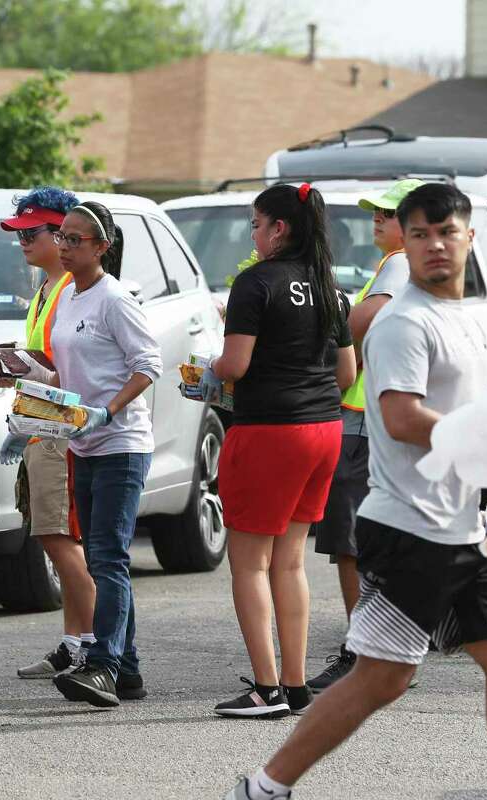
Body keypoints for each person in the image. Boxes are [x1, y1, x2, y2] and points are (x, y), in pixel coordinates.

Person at [225, 184, 487, 800]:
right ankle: (264, 786)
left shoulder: (467, 320)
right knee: (383, 678)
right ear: (407, 243)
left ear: (469, 238)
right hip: (410, 530)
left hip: (462, 530)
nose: (434, 246)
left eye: (445, 232)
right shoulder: (405, 322)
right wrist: (483, 436)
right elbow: (400, 417)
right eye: (419, 234)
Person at [194, 183, 354, 719]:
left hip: (269, 431)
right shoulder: (328, 285)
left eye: (257, 225)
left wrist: (207, 372)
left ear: (278, 228)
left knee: (249, 565)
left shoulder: (255, 281)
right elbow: (348, 372)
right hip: (323, 429)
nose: (254, 234)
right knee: (290, 563)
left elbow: (235, 365)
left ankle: (266, 690)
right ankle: (297, 683)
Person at [2, 201, 162, 708]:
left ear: (102, 247)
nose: (65, 247)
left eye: (75, 239)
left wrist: (108, 411)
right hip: (83, 444)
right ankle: (127, 669)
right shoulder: (67, 295)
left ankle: (103, 666)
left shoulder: (115, 299)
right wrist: (20, 377)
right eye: (63, 237)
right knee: (100, 556)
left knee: (109, 557)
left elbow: (148, 364)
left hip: (120, 444)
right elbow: (62, 378)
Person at [309, 178, 424, 693]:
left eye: (388, 212)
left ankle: (362, 652)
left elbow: (363, 319)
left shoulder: (399, 263)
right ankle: (390, 647)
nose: (377, 219)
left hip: (362, 420)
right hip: (377, 416)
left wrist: (326, 322)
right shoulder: (405, 263)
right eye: (375, 211)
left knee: (351, 541)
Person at [0, 187, 98, 679]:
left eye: (31, 233)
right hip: (41, 427)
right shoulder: (49, 289)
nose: (23, 242)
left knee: (61, 540)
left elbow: (66, 371)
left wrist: (19, 374)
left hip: (58, 431)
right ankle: (74, 642)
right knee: (55, 538)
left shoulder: (69, 291)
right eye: (21, 233)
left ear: (63, 234)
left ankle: (92, 648)